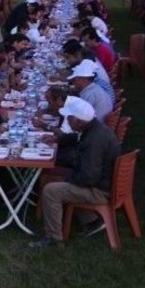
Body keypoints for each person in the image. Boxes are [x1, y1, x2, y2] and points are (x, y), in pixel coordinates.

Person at [31, 97, 121, 248]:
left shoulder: (93, 142)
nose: (67, 121)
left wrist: (67, 180)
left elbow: (88, 177)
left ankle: (54, 238)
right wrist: (57, 139)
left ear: (78, 121)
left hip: (99, 191)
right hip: (103, 184)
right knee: (61, 181)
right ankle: (92, 220)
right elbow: (75, 139)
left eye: (69, 118)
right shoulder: (94, 129)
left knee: (51, 190)